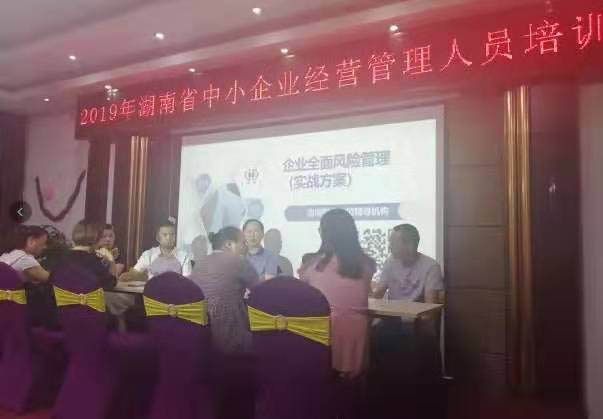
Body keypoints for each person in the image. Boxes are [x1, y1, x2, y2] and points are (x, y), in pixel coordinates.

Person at [299, 209, 376, 379]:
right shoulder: (367, 264)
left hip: (325, 335)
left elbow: (303, 292)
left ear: (325, 233)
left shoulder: (313, 265)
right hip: (358, 336)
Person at [190, 226, 260, 354]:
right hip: (230, 336)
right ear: (229, 244)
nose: (247, 247)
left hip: (198, 337)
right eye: (243, 243)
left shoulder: (200, 262)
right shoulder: (240, 261)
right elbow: (262, 293)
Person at [371, 224, 444, 304]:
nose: (390, 247)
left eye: (393, 243)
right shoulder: (390, 262)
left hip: (418, 312)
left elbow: (431, 306)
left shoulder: (431, 267)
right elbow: (378, 293)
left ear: (410, 245)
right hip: (392, 311)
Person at [56, 219, 117, 291]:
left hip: (63, 298)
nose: (107, 239)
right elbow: (111, 285)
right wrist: (111, 260)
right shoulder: (94, 260)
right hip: (89, 298)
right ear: (96, 238)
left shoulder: (60, 257)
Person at [120, 223, 192, 281]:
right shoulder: (148, 254)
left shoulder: (184, 256)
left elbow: (187, 281)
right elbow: (135, 273)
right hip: (152, 292)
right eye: (165, 235)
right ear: (158, 238)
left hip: (175, 292)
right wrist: (128, 276)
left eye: (172, 234)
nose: (169, 238)